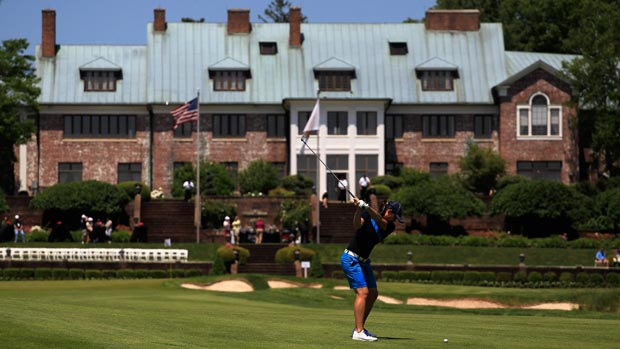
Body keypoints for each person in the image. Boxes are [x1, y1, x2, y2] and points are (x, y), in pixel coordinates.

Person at [341, 198, 403, 341]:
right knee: (363, 292)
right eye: (395, 216)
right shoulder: (368, 215)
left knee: (373, 293)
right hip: (350, 258)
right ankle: (358, 331)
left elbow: (380, 220)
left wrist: (366, 207)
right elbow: (357, 225)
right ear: (389, 211)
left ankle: (359, 327)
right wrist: (359, 209)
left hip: (364, 261)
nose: (396, 219)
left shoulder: (389, 226)